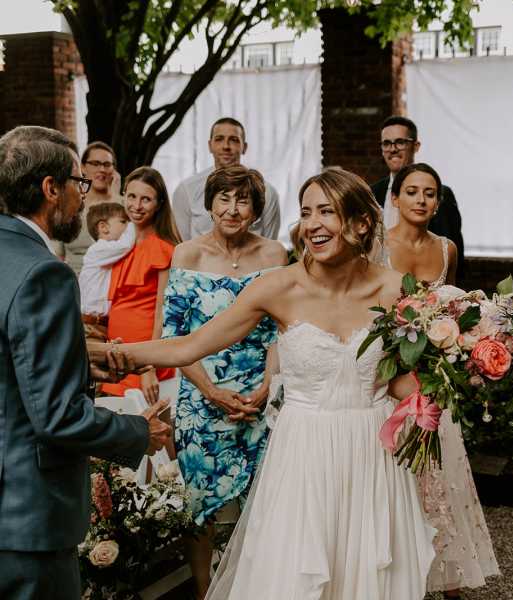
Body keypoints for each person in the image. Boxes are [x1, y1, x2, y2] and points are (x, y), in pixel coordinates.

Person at [89, 167, 437, 600]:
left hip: (373, 453)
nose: (312, 224)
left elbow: (399, 379)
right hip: (305, 452)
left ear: (361, 223)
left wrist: (444, 385)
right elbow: (188, 346)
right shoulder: (278, 287)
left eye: (326, 211)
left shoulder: (397, 291)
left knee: (368, 574)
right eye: (306, 212)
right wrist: (103, 354)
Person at [0, 125, 171, 600]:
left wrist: (75, 365)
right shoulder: (44, 273)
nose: (84, 197)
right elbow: (57, 416)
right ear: (50, 189)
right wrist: (139, 432)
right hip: (25, 519)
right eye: (78, 183)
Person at [161, 165, 287, 597]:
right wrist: (211, 391)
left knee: (264, 503)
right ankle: (203, 592)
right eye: (224, 199)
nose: (233, 209)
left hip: (259, 397)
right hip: (201, 397)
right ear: (210, 204)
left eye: (243, 200)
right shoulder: (186, 255)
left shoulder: (274, 255)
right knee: (200, 509)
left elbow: (280, 330)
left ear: (256, 209)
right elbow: (173, 336)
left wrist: (268, 387)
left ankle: (254, 588)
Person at [385, 162, 500, 599]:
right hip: (389, 380)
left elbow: (453, 308)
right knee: (395, 480)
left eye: (429, 193)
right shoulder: (376, 246)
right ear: (395, 198)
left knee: (439, 479)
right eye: (412, 191)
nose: (420, 199)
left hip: (435, 383)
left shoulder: (447, 249)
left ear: (438, 203)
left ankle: (447, 576)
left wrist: (461, 349)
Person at [102, 166, 182, 402]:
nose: (136, 206)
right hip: (117, 351)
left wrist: (149, 366)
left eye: (146, 199)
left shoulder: (164, 249)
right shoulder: (119, 245)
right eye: (131, 196)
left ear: (159, 204)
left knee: (148, 420)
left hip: (145, 356)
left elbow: (163, 313)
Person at [371, 115, 465, 282]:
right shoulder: (371, 192)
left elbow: (454, 267)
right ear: (395, 198)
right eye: (386, 143)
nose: (393, 149)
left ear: (415, 146)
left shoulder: (443, 195)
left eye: (400, 142)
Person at [172, 117, 281, 241]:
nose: (226, 146)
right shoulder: (186, 190)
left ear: (244, 147)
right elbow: (182, 243)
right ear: (210, 145)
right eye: (219, 139)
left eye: (234, 140)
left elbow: (269, 243)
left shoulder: (267, 192)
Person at [54, 141, 123, 274]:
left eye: (107, 164)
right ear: (83, 167)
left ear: (114, 170)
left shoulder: (126, 205)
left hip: (115, 279)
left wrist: (116, 198)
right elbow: (56, 254)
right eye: (95, 163)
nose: (102, 169)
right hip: (75, 277)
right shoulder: (69, 205)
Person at [79, 202, 135, 340]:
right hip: (90, 323)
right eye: (123, 222)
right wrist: (135, 222)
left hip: (103, 323)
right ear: (103, 227)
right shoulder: (98, 249)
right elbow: (125, 245)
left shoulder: (110, 254)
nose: (127, 225)